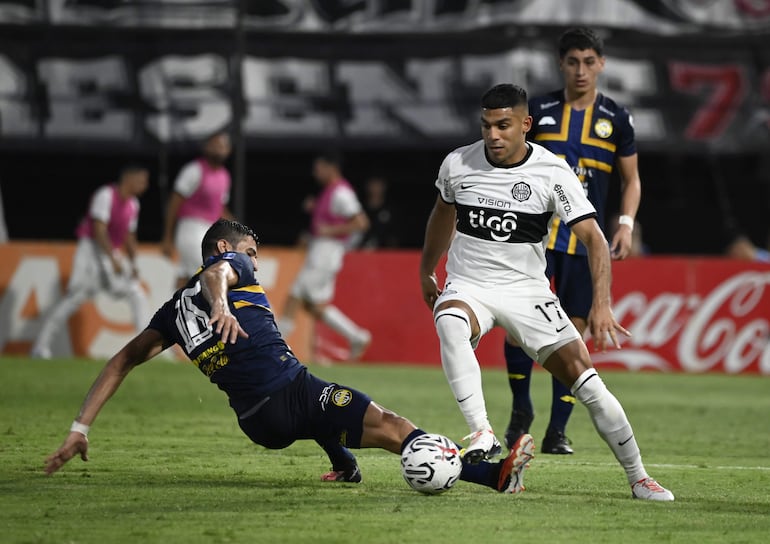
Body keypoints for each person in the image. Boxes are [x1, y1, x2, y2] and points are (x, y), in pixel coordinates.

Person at [43, 218, 536, 496]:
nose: (254, 260)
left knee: (321, 401)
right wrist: (219, 301)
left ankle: (344, 464)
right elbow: (217, 276)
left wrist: (79, 429)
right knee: (393, 425)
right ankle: (488, 474)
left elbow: (120, 362)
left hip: (259, 424)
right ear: (226, 248)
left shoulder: (170, 312)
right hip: (291, 394)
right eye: (251, 250)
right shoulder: (228, 267)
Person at [419, 83, 674, 501]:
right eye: (486, 126)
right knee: (448, 321)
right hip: (469, 285)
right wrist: (427, 270)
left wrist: (602, 306)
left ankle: (639, 477)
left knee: (589, 386)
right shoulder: (457, 164)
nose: (493, 135)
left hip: (527, 291)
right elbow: (441, 215)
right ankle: (482, 433)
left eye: (503, 126)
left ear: (526, 125)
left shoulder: (553, 172)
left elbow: (593, 239)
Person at [501, 27, 643, 455]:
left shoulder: (616, 118)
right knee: (516, 331)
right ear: (561, 64)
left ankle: (557, 431)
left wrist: (625, 223)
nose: (581, 70)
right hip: (536, 240)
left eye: (589, 61)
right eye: (572, 61)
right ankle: (521, 406)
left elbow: (631, 180)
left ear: (601, 64)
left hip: (584, 243)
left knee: (573, 336)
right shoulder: (538, 110)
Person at [31, 165, 150, 359]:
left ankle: (145, 348)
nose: (145, 185)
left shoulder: (133, 204)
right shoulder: (105, 195)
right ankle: (40, 347)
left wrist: (133, 263)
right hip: (91, 251)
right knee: (73, 299)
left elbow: (129, 235)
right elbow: (99, 230)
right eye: (142, 180)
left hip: (112, 252)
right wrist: (112, 258)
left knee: (137, 293)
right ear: (129, 178)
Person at [278, 152, 372, 361]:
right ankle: (356, 336)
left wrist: (329, 230)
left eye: (319, 168)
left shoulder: (341, 194)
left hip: (326, 252)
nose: (316, 172)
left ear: (332, 168)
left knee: (294, 296)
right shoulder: (328, 193)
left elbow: (361, 222)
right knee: (313, 306)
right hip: (322, 252)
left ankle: (274, 349)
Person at [161, 130, 234, 290]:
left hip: (209, 229)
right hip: (190, 228)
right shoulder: (193, 170)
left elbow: (220, 208)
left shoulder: (224, 176)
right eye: (214, 145)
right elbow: (174, 203)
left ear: (228, 150)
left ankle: (173, 313)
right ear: (206, 148)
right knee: (211, 270)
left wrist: (238, 230)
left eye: (222, 146)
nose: (218, 149)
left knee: (186, 275)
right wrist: (167, 237)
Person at [358, 175, 400, 249]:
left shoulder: (391, 210)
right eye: (373, 184)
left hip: (384, 253)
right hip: (361, 252)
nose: (376, 188)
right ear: (367, 186)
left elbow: (394, 236)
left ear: (384, 186)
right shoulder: (359, 209)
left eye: (379, 184)